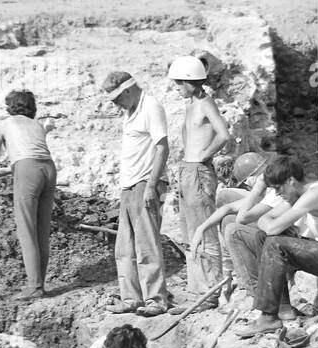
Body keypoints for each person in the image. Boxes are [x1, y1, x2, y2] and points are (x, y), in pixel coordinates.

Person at [232, 156, 318, 336]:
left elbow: (273, 226)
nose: (278, 194)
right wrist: (272, 225)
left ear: (290, 181)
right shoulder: (298, 195)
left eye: (279, 188)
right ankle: (283, 309)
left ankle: (268, 318)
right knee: (262, 237)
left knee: (274, 242)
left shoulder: (316, 194)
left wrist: (274, 226)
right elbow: (265, 220)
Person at [0, 90, 58, 301]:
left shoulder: (7, 123)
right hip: (48, 169)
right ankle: (40, 285)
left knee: (26, 228)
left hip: (28, 169)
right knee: (42, 229)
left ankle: (34, 287)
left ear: (11, 107)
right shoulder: (37, 125)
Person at [101, 71, 172, 317]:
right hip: (128, 186)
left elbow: (162, 147)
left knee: (147, 245)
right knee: (125, 248)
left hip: (144, 183)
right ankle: (131, 298)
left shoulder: (151, 106)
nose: (116, 105)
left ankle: (156, 299)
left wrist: (152, 185)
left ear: (128, 90)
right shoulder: (130, 112)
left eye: (117, 99)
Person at [189, 152, 299, 308]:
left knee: (233, 229)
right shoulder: (270, 194)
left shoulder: (277, 192)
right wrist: (201, 229)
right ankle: (239, 278)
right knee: (228, 219)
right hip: (276, 240)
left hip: (284, 246)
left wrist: (256, 190)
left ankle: (254, 293)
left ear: (251, 180)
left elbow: (242, 218)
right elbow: (229, 208)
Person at [169, 56, 231, 311]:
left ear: (191, 82)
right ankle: (198, 290)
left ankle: (210, 292)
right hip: (188, 170)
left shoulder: (206, 104)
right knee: (189, 232)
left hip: (198, 172)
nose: (177, 88)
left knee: (203, 232)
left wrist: (203, 157)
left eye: (180, 83)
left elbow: (224, 134)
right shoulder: (191, 104)